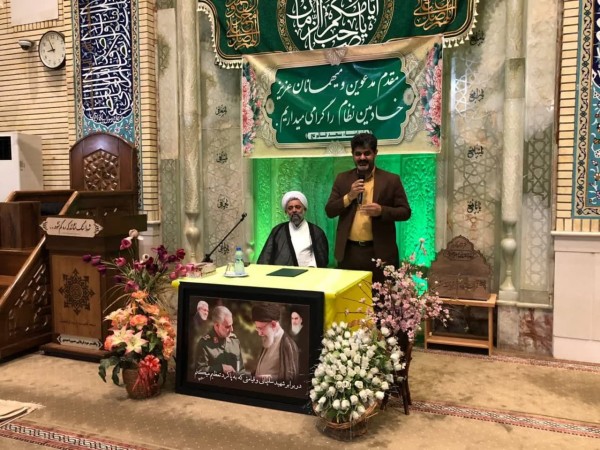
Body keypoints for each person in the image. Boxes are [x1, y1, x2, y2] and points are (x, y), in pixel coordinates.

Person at [325, 132, 411, 284]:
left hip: (379, 253)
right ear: (352, 155)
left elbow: (405, 212)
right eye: (358, 154)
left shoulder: (391, 180)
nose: (362, 158)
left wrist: (381, 211)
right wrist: (349, 196)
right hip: (349, 253)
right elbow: (330, 211)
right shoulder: (342, 179)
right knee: (349, 296)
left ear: (375, 153)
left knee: (380, 298)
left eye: (367, 153)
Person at [257, 191, 329, 268]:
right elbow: (266, 257)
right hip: (282, 274)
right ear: (286, 212)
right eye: (290, 208)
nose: (294, 210)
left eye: (298, 207)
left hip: (309, 272)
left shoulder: (316, 232)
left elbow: (320, 258)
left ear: (304, 209)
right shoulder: (278, 231)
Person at [252, 302, 299, 382]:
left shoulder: (288, 345)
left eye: (261, 328)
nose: (259, 333)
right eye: (257, 328)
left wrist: (269, 378)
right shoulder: (268, 340)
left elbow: (291, 379)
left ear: (273, 324)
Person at [195, 306, 244, 375]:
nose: (232, 329)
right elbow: (199, 371)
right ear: (217, 325)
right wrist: (220, 368)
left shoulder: (235, 342)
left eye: (231, 325)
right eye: (227, 327)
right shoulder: (204, 344)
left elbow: (241, 371)